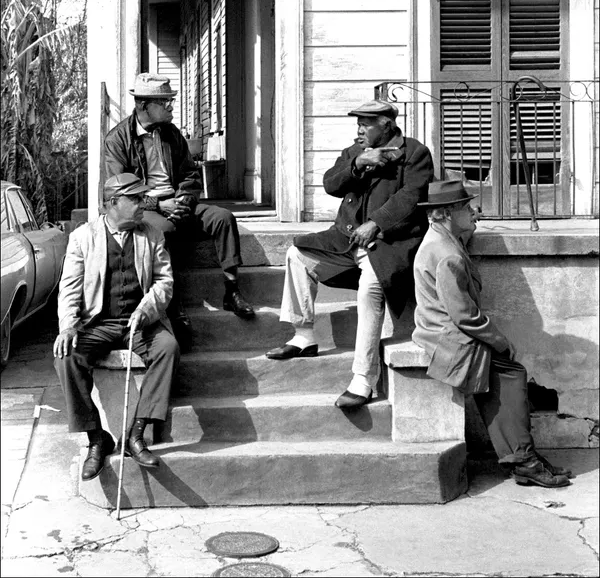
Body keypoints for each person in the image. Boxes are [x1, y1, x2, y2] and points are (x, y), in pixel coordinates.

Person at [266, 100, 434, 410]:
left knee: (371, 287)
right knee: (297, 254)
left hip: (388, 243)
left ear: (386, 125)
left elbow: (411, 197)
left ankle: (363, 378)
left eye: (366, 123)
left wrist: (376, 223)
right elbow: (331, 184)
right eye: (358, 122)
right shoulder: (354, 152)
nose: (359, 128)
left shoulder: (415, 153)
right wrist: (358, 163)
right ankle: (304, 335)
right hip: (346, 240)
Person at [412, 179, 571, 488]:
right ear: (446, 213)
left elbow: (460, 239)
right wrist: (500, 340)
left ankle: (522, 458)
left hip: (441, 329)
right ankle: (524, 460)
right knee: (511, 373)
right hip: (449, 337)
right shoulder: (447, 254)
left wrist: (467, 225)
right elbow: (464, 315)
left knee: (500, 375)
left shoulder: (440, 237)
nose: (475, 212)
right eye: (467, 208)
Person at [104, 73, 254, 348]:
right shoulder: (118, 140)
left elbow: (189, 173)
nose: (171, 107)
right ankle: (174, 309)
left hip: (177, 201)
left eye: (170, 101)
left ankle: (231, 291)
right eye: (164, 102)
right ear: (143, 105)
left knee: (223, 218)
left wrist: (184, 199)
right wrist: (157, 204)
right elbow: (120, 190)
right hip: (145, 207)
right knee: (164, 230)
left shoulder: (171, 133)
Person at [53, 173, 180, 481]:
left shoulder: (151, 235)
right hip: (99, 323)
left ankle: (136, 434)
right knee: (66, 355)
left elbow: (164, 282)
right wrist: (68, 326)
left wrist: (146, 309)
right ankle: (97, 439)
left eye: (142, 198)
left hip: (141, 323)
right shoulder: (83, 237)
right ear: (113, 203)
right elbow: (69, 289)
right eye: (134, 199)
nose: (142, 204)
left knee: (168, 347)